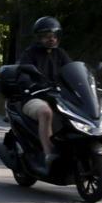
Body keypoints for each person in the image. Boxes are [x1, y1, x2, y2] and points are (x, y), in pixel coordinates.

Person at [18, 16, 73, 170]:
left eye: (55, 36)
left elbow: (72, 71)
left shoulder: (60, 54)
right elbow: (23, 73)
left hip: (58, 97)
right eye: (47, 36)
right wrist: (30, 84)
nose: (52, 39)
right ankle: (49, 155)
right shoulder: (30, 53)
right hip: (34, 96)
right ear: (39, 37)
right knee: (45, 112)